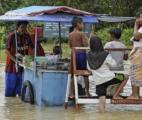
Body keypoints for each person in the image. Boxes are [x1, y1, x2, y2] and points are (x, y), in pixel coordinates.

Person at [87, 36, 122, 112]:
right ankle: (116, 95)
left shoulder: (88, 55)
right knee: (125, 77)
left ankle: (101, 116)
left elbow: (89, 68)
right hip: (111, 78)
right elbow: (114, 64)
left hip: (98, 82)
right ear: (100, 44)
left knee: (102, 101)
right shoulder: (105, 54)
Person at [5, 21, 34, 97]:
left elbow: (32, 49)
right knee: (10, 92)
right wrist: (15, 61)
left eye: (25, 27)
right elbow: (6, 51)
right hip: (11, 67)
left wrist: (30, 61)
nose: (24, 29)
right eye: (22, 27)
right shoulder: (11, 36)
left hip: (24, 65)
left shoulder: (27, 36)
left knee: (22, 91)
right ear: (17, 27)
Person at [69, 16, 90, 97]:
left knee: (73, 74)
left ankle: (71, 93)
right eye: (82, 24)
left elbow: (70, 45)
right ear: (78, 24)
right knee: (85, 74)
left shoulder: (70, 34)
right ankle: (87, 92)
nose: (83, 25)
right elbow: (85, 45)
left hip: (73, 54)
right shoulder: (82, 33)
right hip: (81, 55)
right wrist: (87, 40)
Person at [127, 8, 142, 99]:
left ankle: (135, 95)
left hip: (139, 54)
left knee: (135, 73)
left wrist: (136, 25)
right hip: (138, 53)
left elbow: (136, 36)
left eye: (138, 18)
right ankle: (135, 94)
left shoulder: (139, 28)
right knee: (136, 73)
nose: (136, 20)